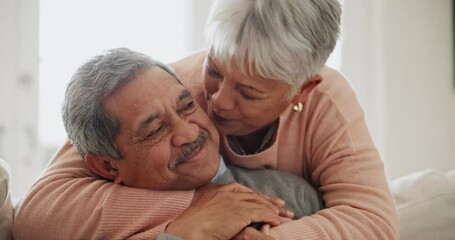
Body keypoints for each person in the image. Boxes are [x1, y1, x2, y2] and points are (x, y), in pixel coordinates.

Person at [13, 48, 324, 240]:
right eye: (155, 129)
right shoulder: (82, 229)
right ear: (108, 165)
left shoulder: (293, 195)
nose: (188, 133)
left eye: (187, 106)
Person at [169, 0, 398, 239]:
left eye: (248, 93)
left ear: (302, 89)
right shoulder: (169, 89)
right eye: (214, 70)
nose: (219, 101)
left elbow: (373, 222)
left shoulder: (327, 102)